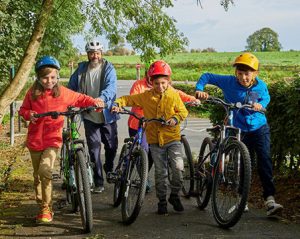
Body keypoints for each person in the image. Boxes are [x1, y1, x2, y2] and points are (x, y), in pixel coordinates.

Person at [195, 52, 283, 216]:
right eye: (240, 73)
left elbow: (266, 98)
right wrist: (200, 89)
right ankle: (242, 199)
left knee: (265, 160)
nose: (243, 77)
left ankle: (270, 199)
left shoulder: (261, 85)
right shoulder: (228, 81)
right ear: (236, 73)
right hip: (239, 128)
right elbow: (207, 76)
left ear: (255, 73)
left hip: (259, 127)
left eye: (247, 74)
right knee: (243, 163)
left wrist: (260, 104)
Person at [19, 56, 104, 223]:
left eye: (52, 77)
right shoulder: (32, 93)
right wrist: (29, 114)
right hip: (35, 140)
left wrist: (95, 101)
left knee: (45, 170)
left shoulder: (63, 92)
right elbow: (22, 110)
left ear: (57, 76)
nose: (49, 81)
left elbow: (80, 98)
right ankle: (41, 203)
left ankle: (46, 208)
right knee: (37, 176)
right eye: (45, 77)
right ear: (38, 77)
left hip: (52, 139)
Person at [112, 60, 189, 215]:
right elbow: (128, 99)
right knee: (160, 173)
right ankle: (161, 202)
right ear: (151, 82)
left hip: (172, 139)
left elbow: (183, 112)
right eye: (156, 83)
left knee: (178, 169)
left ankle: (174, 196)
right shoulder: (146, 96)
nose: (160, 87)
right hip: (155, 141)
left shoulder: (173, 95)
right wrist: (118, 103)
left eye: (163, 83)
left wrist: (175, 119)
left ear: (168, 81)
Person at [128, 62, 200, 193]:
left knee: (161, 154)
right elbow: (134, 102)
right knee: (144, 152)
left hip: (163, 128)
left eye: (163, 80)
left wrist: (192, 99)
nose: (160, 85)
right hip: (142, 123)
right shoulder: (139, 86)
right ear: (149, 76)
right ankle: (144, 179)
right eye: (155, 78)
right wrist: (145, 113)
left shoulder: (166, 87)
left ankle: (168, 182)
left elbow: (178, 94)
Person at [68, 40, 119, 193]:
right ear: (88, 54)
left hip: (107, 114)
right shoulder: (81, 69)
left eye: (97, 52)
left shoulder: (109, 68)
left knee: (111, 146)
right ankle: (98, 181)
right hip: (89, 115)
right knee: (94, 149)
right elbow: (72, 88)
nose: (94, 55)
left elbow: (111, 88)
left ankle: (108, 167)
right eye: (91, 53)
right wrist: (67, 100)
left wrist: (101, 99)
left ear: (101, 53)